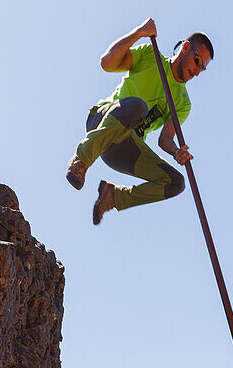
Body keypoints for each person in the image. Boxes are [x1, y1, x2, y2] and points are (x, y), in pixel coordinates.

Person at [66, 18, 213, 225]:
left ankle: (113, 197)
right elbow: (106, 63)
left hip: (123, 148)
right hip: (102, 121)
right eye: (198, 61)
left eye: (203, 69)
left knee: (176, 182)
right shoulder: (150, 56)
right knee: (138, 107)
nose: (197, 72)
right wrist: (139, 32)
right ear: (186, 48)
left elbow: (165, 139)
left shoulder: (182, 103)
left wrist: (176, 152)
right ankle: (81, 159)